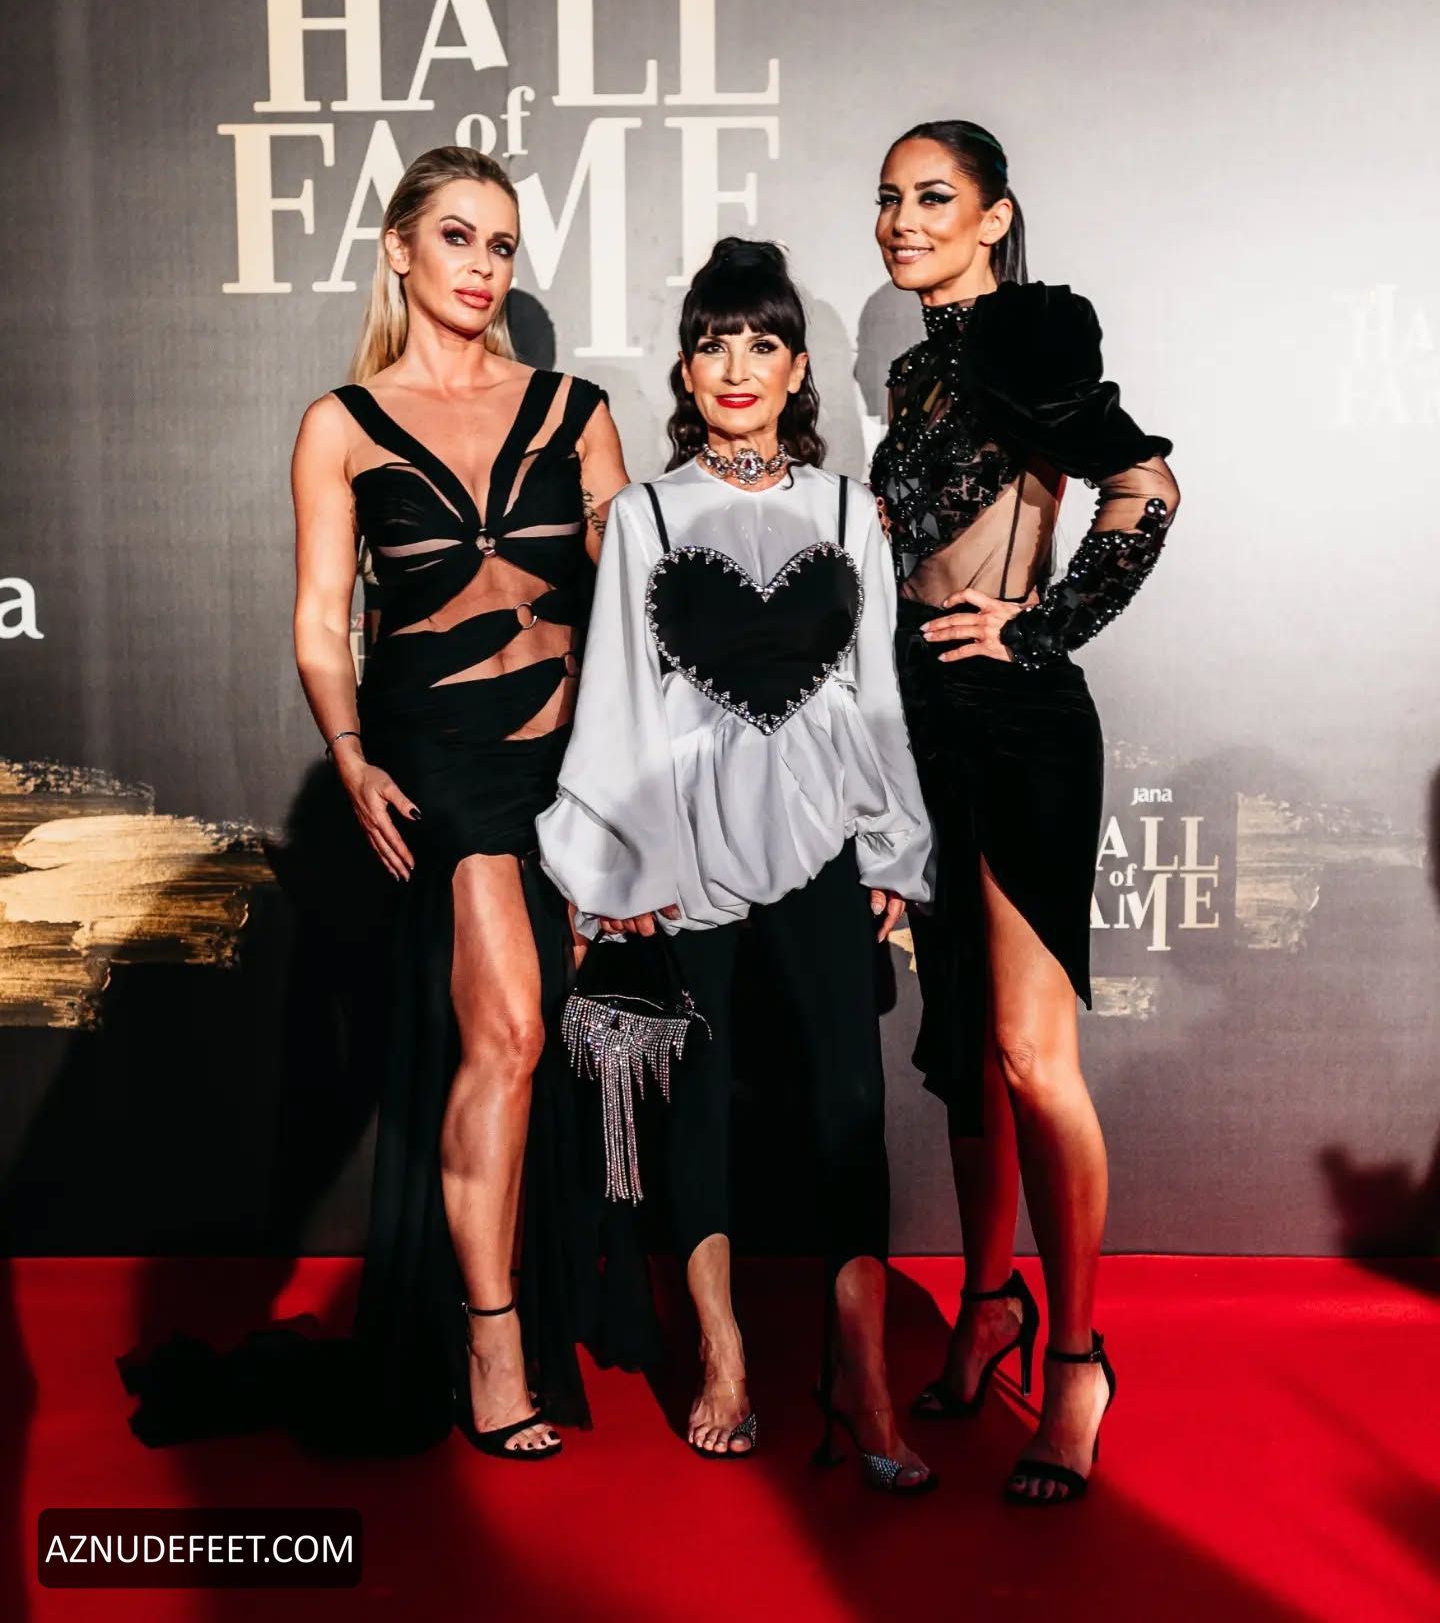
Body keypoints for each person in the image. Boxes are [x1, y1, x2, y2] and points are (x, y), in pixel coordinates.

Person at [120, 146, 628, 1460]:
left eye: (502, 244)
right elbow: (319, 616)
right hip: (439, 759)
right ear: (399, 248)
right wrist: (348, 755)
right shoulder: (340, 425)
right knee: (510, 1032)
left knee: (524, 1047)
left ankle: (508, 1299)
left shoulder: (576, 409)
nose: (482, 266)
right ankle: (492, 1337)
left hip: (567, 761)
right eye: (456, 236)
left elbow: (633, 595)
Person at [537, 238, 938, 1494]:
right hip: (688, 843)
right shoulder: (644, 517)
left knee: (849, 1102)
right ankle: (723, 1354)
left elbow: (877, 693)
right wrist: (624, 861)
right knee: (700, 1095)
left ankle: (862, 1374)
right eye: (714, 343)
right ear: (686, 367)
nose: (737, 366)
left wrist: (895, 839)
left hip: (823, 836)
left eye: (763, 343)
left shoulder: (848, 513)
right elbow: (619, 695)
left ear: (799, 368)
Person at [869, 120, 1180, 1504]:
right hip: (923, 718)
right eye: (889, 198)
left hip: (1017, 725)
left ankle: (1077, 1360)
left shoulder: (1027, 334)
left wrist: (1042, 626)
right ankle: (987, 1303)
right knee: (962, 1051)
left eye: (934, 197)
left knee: (1029, 1052)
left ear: (995, 217)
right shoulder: (915, 369)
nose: (903, 219)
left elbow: (1145, 484)